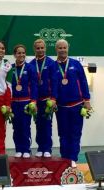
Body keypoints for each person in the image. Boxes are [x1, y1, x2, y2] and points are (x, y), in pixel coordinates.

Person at [55, 39, 91, 167]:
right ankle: (65, 158)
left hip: (76, 105)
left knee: (75, 132)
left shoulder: (76, 64)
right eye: (60, 48)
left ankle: (73, 158)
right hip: (61, 107)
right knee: (63, 133)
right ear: (56, 49)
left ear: (68, 48)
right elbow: (52, 86)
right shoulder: (54, 66)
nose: (62, 50)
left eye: (64, 47)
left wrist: (87, 100)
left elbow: (83, 83)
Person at [29, 39, 58, 158]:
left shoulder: (51, 63)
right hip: (35, 100)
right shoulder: (30, 64)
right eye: (38, 48)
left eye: (42, 48)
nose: (40, 50)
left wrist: (53, 98)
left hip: (47, 100)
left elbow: (55, 82)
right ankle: (40, 146)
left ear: (45, 48)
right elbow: (30, 84)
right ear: (34, 49)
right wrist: (32, 100)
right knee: (38, 123)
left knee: (47, 123)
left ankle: (47, 148)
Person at [11, 44, 38, 158]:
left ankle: (26, 149)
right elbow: (7, 86)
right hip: (13, 102)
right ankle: (18, 148)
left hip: (26, 102)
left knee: (25, 126)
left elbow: (34, 85)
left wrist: (33, 101)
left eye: (23, 53)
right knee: (16, 127)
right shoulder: (10, 68)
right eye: (19, 53)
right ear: (14, 55)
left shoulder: (30, 68)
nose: (21, 55)